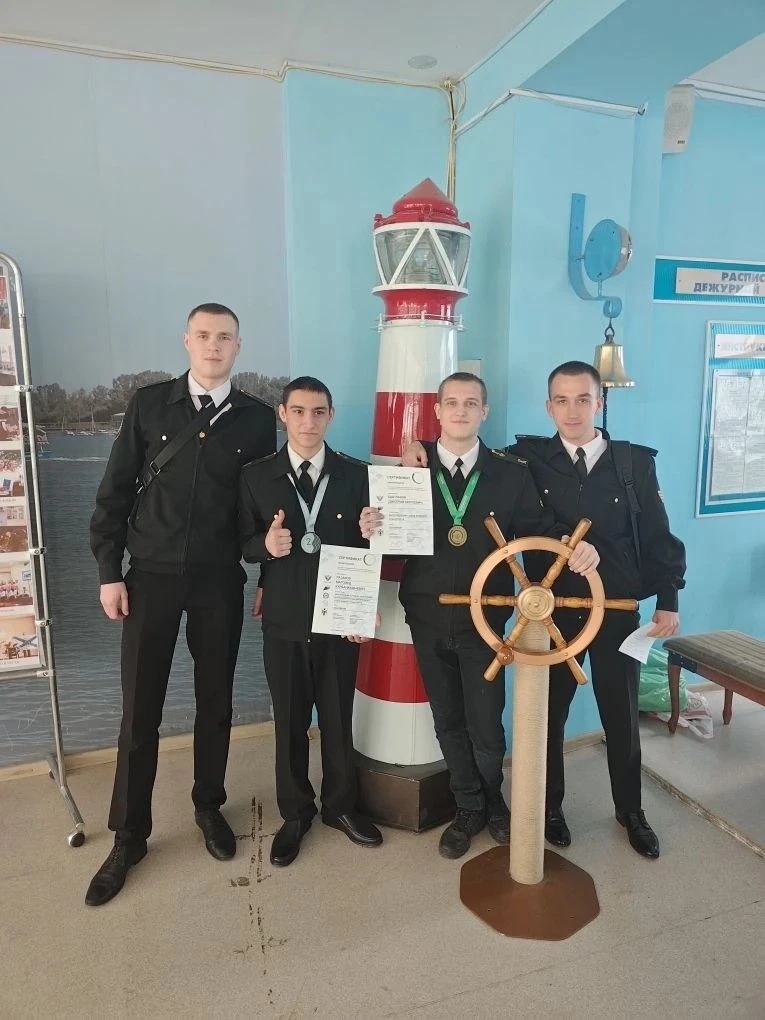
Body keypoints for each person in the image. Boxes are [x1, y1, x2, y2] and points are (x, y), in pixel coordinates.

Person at [403, 361, 686, 859]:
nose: (572, 410)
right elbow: (464, 447)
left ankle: (631, 811)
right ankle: (550, 809)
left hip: (615, 608)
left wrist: (668, 598)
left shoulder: (634, 464)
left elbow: (659, 535)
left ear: (600, 403)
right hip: (550, 611)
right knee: (547, 717)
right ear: (548, 406)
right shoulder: (528, 459)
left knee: (621, 714)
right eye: (562, 400)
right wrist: (417, 447)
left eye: (583, 399)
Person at [86, 302, 276, 906]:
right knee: (139, 710)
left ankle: (208, 806)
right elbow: (114, 493)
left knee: (215, 702)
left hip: (219, 580)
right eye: (204, 335)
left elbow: (261, 509)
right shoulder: (149, 405)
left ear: (238, 347)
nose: (214, 345)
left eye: (225, 337)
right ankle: (129, 836)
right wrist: (109, 573)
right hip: (150, 578)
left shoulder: (257, 419)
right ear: (186, 341)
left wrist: (268, 574)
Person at [366, 372, 598, 860]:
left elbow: (539, 529)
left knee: (486, 723)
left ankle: (494, 804)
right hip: (426, 612)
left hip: (487, 621)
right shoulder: (410, 471)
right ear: (436, 411)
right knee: (447, 718)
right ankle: (467, 806)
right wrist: (374, 525)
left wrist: (575, 547)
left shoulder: (511, 475)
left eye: (471, 403)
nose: (460, 411)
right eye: (451, 403)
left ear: (484, 412)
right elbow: (389, 541)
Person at [239, 376, 383, 868]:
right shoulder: (256, 476)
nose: (308, 422)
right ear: (283, 414)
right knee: (291, 723)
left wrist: (373, 530)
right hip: (283, 619)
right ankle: (295, 814)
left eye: (318, 412)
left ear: (330, 416)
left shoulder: (356, 475)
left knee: (338, 720)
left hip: (339, 621)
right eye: (298, 411)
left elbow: (371, 546)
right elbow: (240, 542)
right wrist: (264, 546)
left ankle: (340, 807)